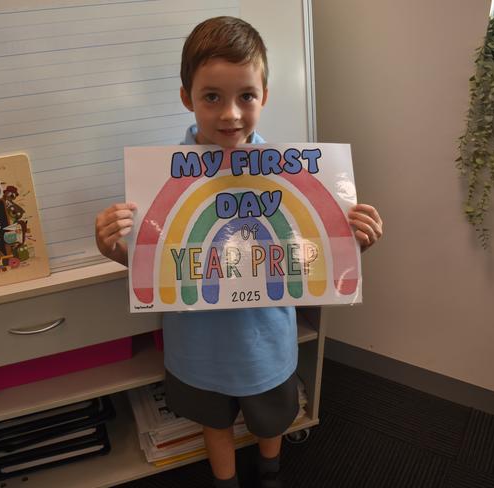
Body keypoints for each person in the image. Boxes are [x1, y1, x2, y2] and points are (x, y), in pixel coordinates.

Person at [95, 16, 383, 488]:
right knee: (215, 423)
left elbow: (311, 260)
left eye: (245, 96)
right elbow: (157, 263)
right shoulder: (162, 181)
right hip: (198, 349)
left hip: (267, 346)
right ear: (187, 96)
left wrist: (353, 244)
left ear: (264, 96)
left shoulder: (293, 175)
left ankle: (269, 471)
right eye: (212, 97)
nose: (230, 114)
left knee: (271, 422)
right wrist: (115, 250)